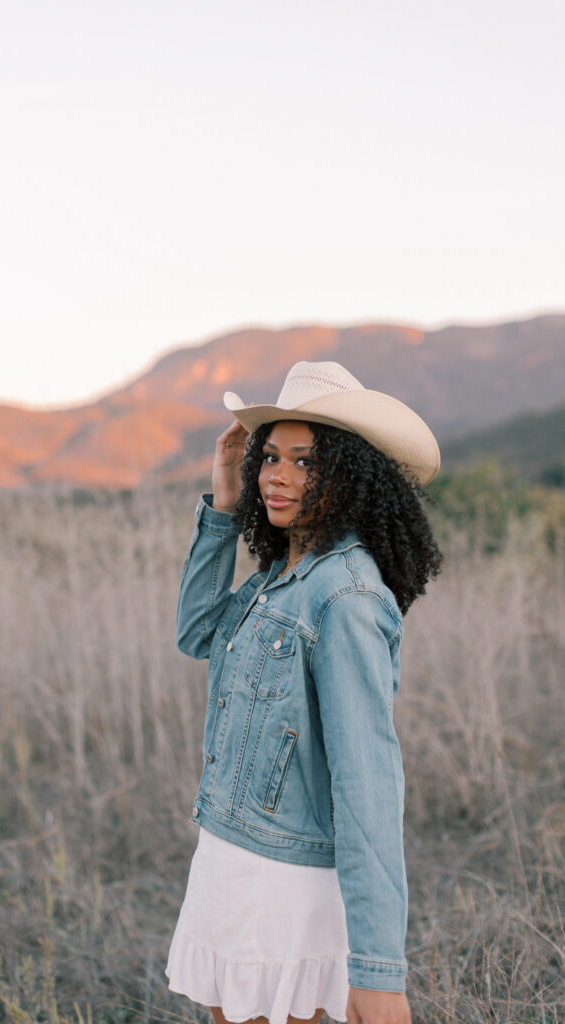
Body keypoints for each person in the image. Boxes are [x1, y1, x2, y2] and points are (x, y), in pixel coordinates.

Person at [165, 361, 442, 1024]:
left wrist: (378, 968)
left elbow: (367, 780)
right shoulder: (277, 576)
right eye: (271, 457)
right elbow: (197, 631)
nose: (278, 476)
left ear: (350, 475)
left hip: (283, 878)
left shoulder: (344, 596)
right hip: (230, 847)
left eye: (306, 460)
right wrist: (224, 508)